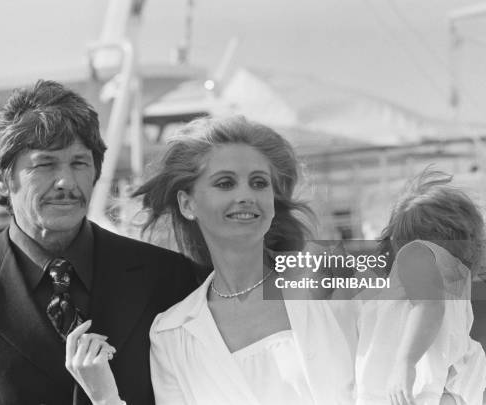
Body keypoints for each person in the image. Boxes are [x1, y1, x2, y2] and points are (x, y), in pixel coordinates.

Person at [0, 80, 199, 405]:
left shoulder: (168, 277)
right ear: (3, 179)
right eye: (45, 164)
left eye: (79, 163)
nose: (66, 182)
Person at [67, 115, 360, 404]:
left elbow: (400, 294)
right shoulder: (171, 331)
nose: (246, 195)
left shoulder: (325, 273)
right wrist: (105, 398)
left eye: (259, 183)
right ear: (187, 203)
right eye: (225, 183)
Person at [356, 169, 486, 405]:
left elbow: (428, 307)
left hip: (404, 388)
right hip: (437, 389)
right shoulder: (457, 281)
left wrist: (404, 363)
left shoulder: (416, 252)